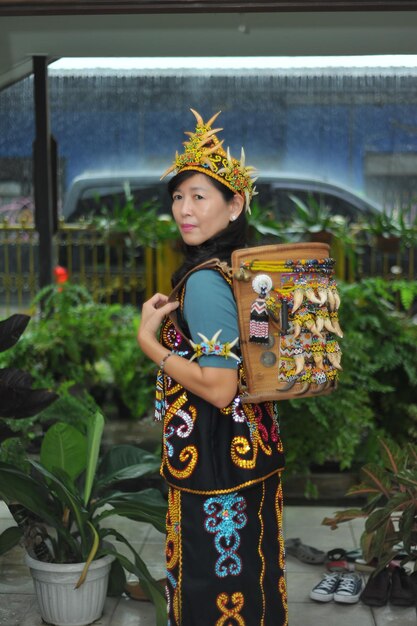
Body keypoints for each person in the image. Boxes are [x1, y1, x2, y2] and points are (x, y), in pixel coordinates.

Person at [137, 109, 287, 625]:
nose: (183, 208)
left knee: (213, 585)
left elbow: (220, 389)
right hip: (250, 450)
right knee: (251, 576)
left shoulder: (204, 280)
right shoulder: (236, 269)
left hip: (215, 461)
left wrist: (150, 344)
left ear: (235, 204)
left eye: (199, 196)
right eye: (178, 196)